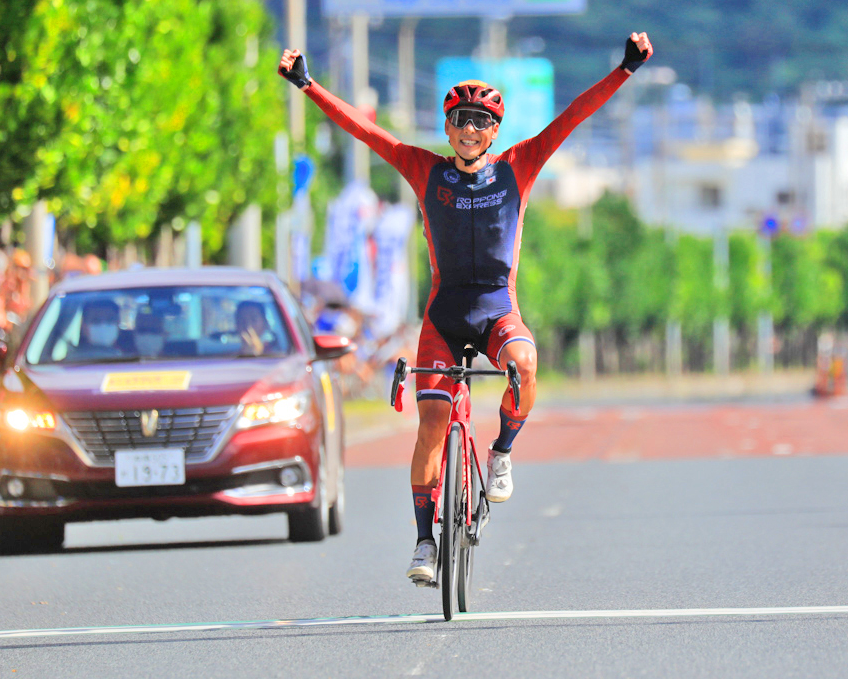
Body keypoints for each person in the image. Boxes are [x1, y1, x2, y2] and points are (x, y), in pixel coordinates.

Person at [280, 31, 654, 585]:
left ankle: (501, 451)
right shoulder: (424, 169)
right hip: (445, 315)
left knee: (524, 364)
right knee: (431, 424)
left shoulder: (519, 165)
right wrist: (308, 85)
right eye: (460, 120)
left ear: (495, 130)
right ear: (448, 126)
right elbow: (365, 130)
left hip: (497, 308)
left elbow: (573, 117)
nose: (470, 129)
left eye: (481, 121)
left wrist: (623, 69)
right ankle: (425, 542)